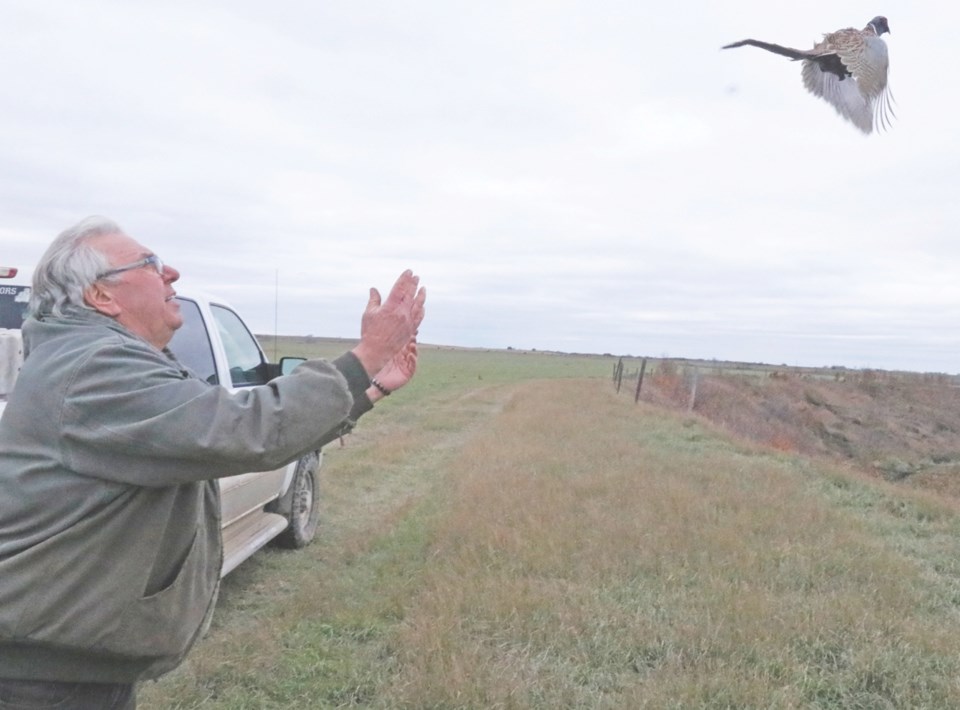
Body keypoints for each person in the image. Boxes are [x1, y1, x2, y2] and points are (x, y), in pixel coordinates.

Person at [0, 216, 426, 709]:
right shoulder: (92, 367)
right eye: (151, 264)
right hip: (39, 681)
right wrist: (367, 355)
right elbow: (242, 429)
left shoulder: (94, 359)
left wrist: (367, 388)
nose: (172, 272)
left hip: (58, 663)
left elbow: (213, 437)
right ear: (102, 296)